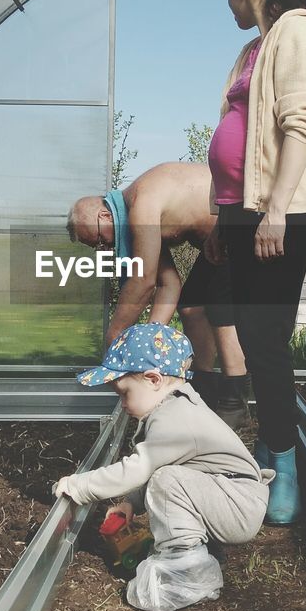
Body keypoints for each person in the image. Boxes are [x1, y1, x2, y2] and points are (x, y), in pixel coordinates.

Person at [202, 0, 306, 525]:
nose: (227, 5)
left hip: (276, 213)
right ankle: (269, 446)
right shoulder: (252, 48)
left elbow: (302, 123)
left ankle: (283, 464)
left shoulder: (300, 34)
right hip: (239, 210)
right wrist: (218, 211)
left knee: (263, 336)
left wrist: (276, 210)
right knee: (248, 329)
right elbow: (232, 131)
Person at [53, 323, 272, 611]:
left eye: (124, 393)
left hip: (237, 505)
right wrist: (131, 502)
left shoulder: (174, 418)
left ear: (154, 379)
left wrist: (78, 486)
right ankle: (194, 553)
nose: (123, 403)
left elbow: (139, 469)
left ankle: (185, 574)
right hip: (229, 496)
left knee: (167, 480)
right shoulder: (174, 408)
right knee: (167, 478)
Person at [67, 162, 251, 428]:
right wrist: (150, 341)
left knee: (219, 305)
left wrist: (114, 337)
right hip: (217, 243)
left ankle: (236, 402)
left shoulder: (142, 205)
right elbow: (168, 285)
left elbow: (143, 281)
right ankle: (206, 391)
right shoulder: (135, 223)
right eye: (95, 247)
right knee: (190, 307)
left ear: (105, 216)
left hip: (240, 223)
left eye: (98, 239)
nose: (102, 247)